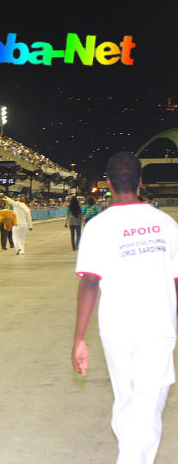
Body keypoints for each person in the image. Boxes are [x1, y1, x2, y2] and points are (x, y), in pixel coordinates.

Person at [72, 152, 178, 464]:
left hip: (116, 328)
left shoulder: (98, 226)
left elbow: (89, 282)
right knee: (147, 402)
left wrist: (79, 338)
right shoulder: (166, 224)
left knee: (129, 401)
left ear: (108, 184)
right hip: (158, 327)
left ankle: (130, 456)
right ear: (141, 181)